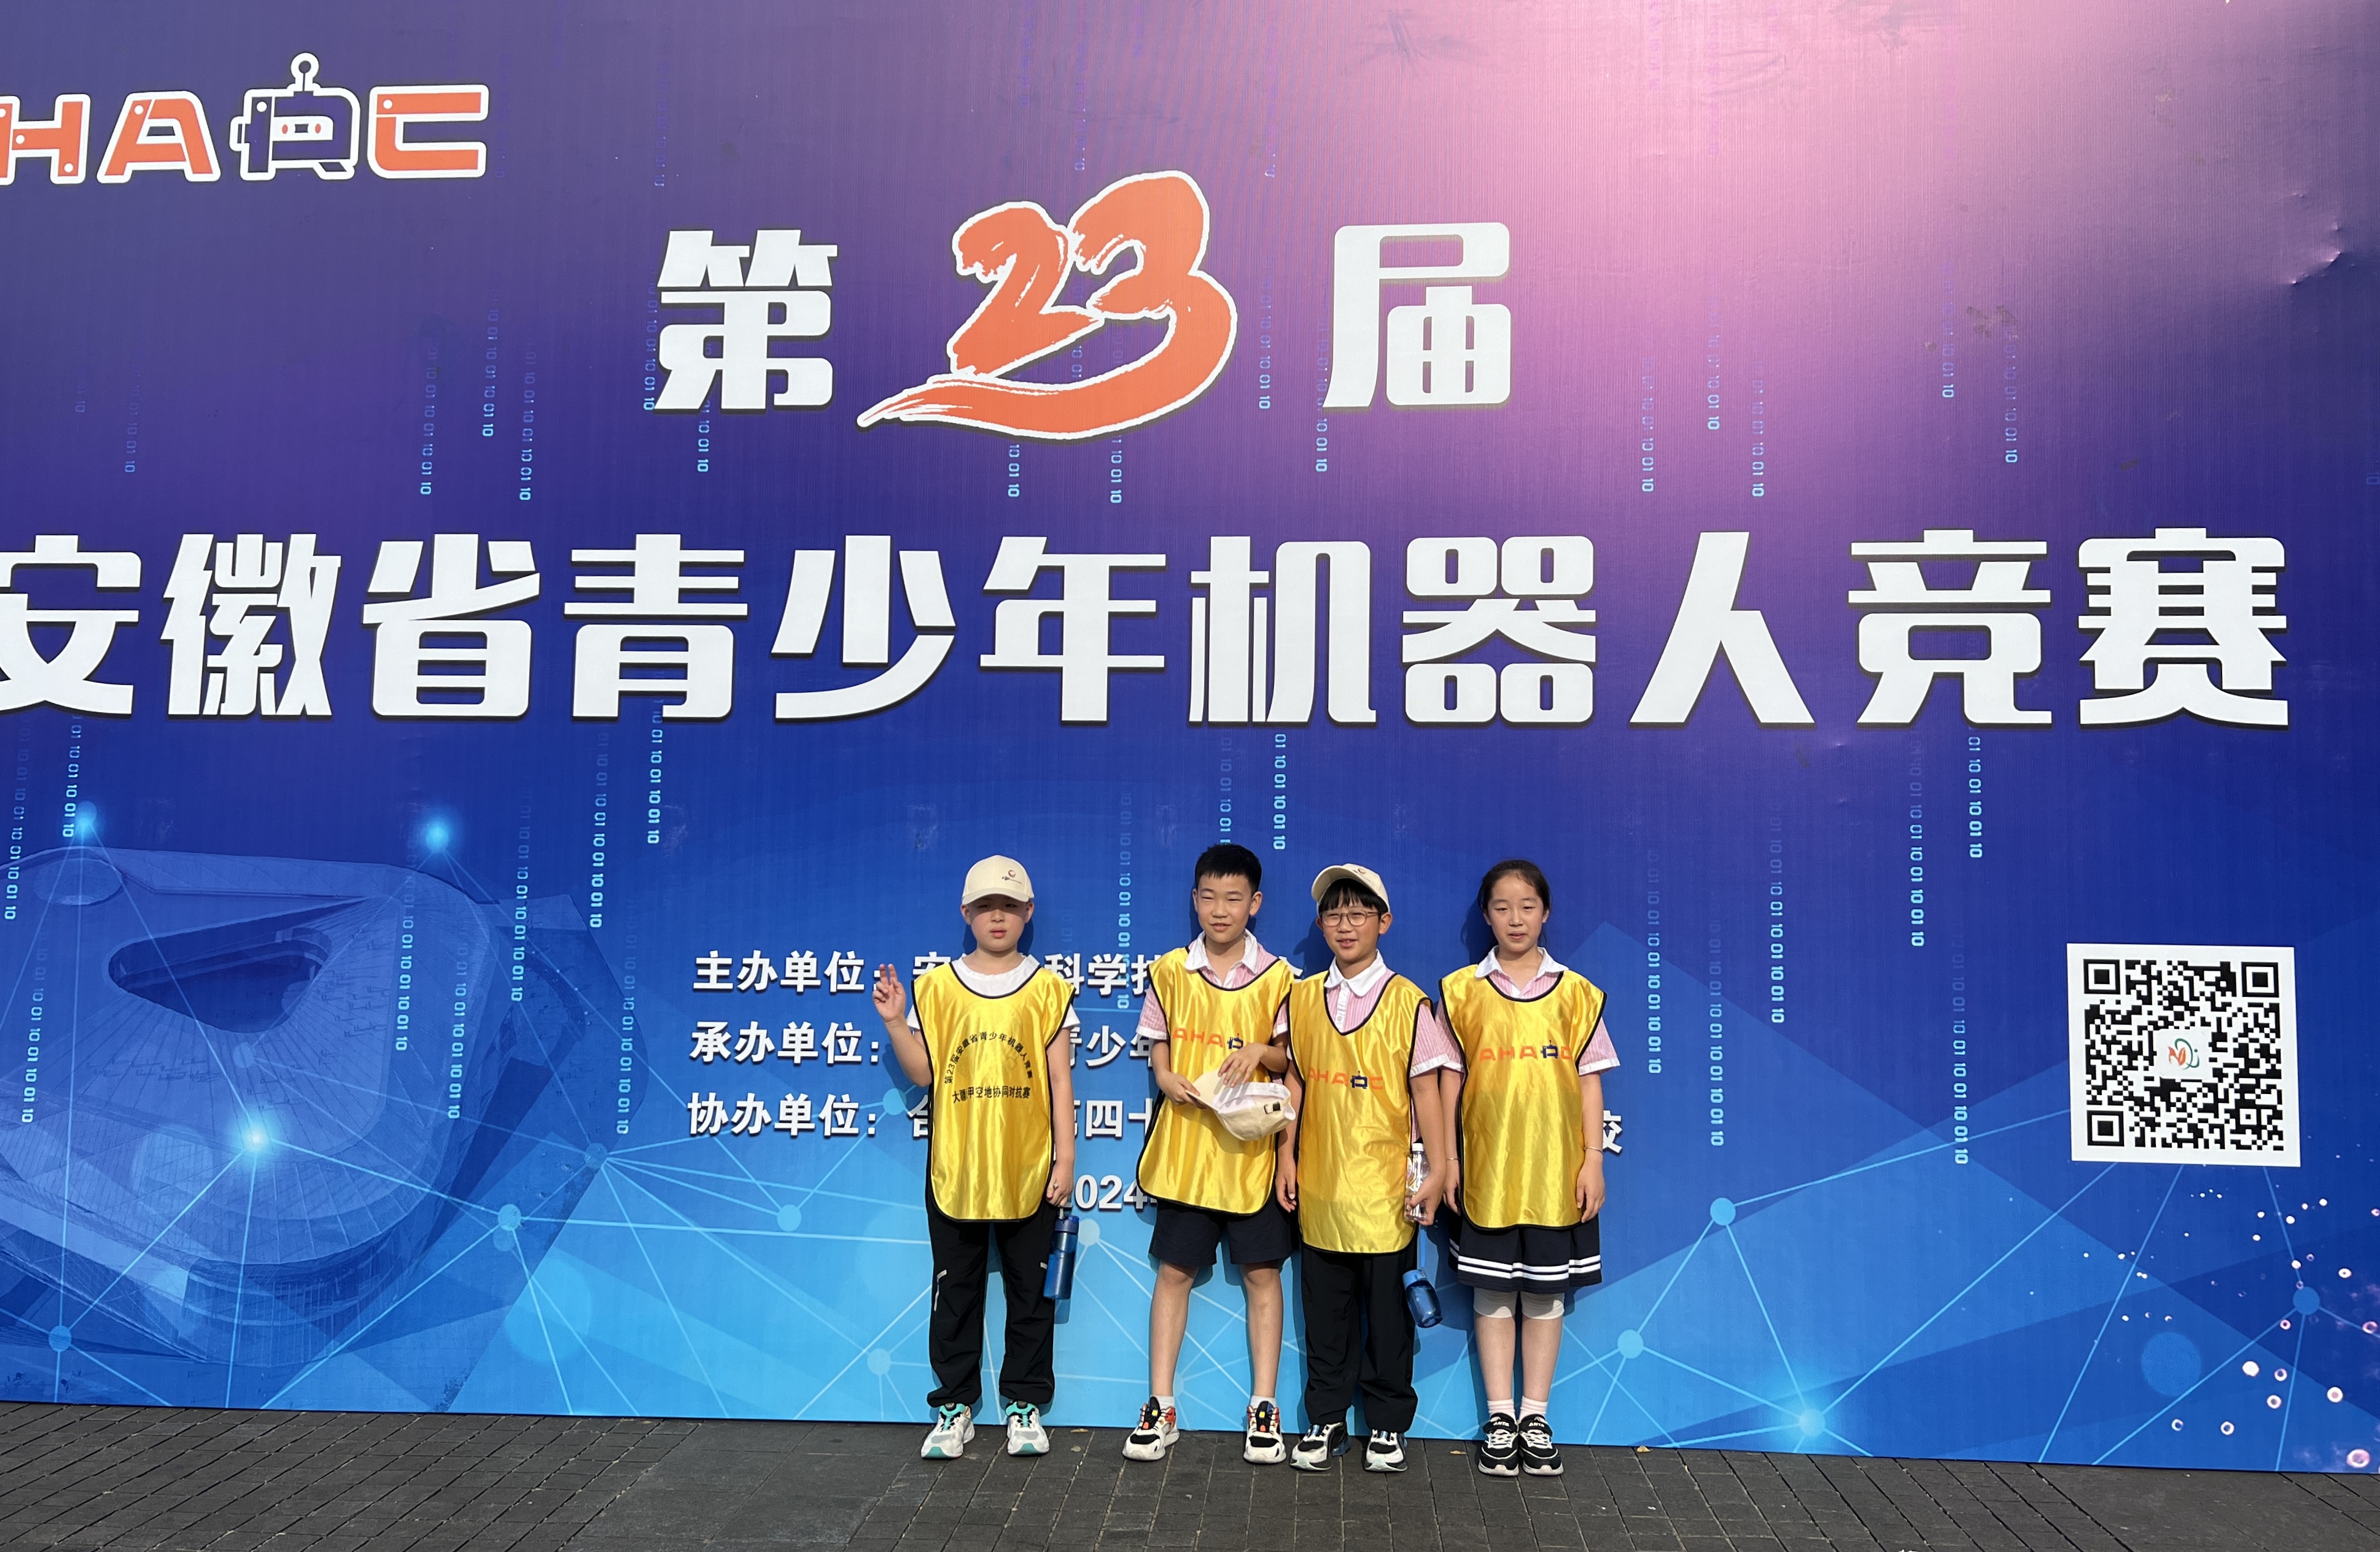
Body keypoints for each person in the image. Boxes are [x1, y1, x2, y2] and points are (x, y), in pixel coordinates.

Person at [873, 855, 1078, 1462]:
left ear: (1028, 913)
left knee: (1030, 1293)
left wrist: (1065, 1158)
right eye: (986, 906)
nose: (998, 916)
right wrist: (895, 1023)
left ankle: (1023, 1405)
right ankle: (954, 1406)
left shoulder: (1048, 989)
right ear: (966, 913)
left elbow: (1059, 1081)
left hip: (1028, 1168)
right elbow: (926, 1073)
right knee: (954, 1291)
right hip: (957, 1169)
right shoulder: (937, 987)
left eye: (1009, 906)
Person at [1434, 858, 1618, 1478]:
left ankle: (1535, 1417)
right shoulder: (1460, 991)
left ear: (1546, 913)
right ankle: (1499, 1417)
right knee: (1491, 1292)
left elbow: (1590, 1084)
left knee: (1544, 1295)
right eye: (1502, 907)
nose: (1515, 918)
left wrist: (1593, 1160)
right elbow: (1449, 1083)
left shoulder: (1577, 994)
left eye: (1527, 906)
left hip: (1556, 1174)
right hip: (1486, 1172)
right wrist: (1449, 1161)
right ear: (1486, 916)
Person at [1122, 842, 1299, 1465]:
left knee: (1262, 1277)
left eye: (1233, 898)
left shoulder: (1279, 976)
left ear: (1255, 903)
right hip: (1188, 1153)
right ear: (1194, 900)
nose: (1220, 910)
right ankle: (1161, 1406)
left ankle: (1264, 1407)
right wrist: (1164, 1076)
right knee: (1174, 1274)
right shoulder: (1170, 970)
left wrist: (1259, 1052)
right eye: (1208, 897)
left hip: (1253, 1156)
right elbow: (1158, 1042)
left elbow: (1290, 1058)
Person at [1276, 863, 1456, 1474]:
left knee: (1387, 1315)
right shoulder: (1302, 998)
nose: (1345, 925)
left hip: (1386, 1191)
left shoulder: (1409, 1002)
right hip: (1323, 1185)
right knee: (1325, 1313)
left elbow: (1427, 1092)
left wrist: (1437, 1170)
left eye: (1358, 913)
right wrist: (1286, 1154)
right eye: (1334, 913)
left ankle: (1386, 1423)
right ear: (1321, 924)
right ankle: (1326, 1419)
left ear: (1385, 921)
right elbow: (1295, 1082)